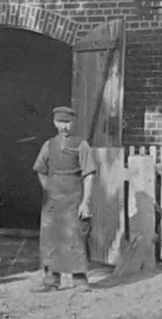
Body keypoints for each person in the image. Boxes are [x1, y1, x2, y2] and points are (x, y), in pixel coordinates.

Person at [32, 106, 96, 290]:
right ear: (54, 122)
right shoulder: (48, 145)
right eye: (60, 122)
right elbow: (40, 169)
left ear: (73, 123)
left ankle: (80, 279)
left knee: (75, 235)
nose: (64, 127)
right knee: (50, 237)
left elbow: (89, 174)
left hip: (73, 197)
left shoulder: (81, 145)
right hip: (52, 200)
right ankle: (51, 280)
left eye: (68, 122)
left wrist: (86, 201)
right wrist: (48, 189)